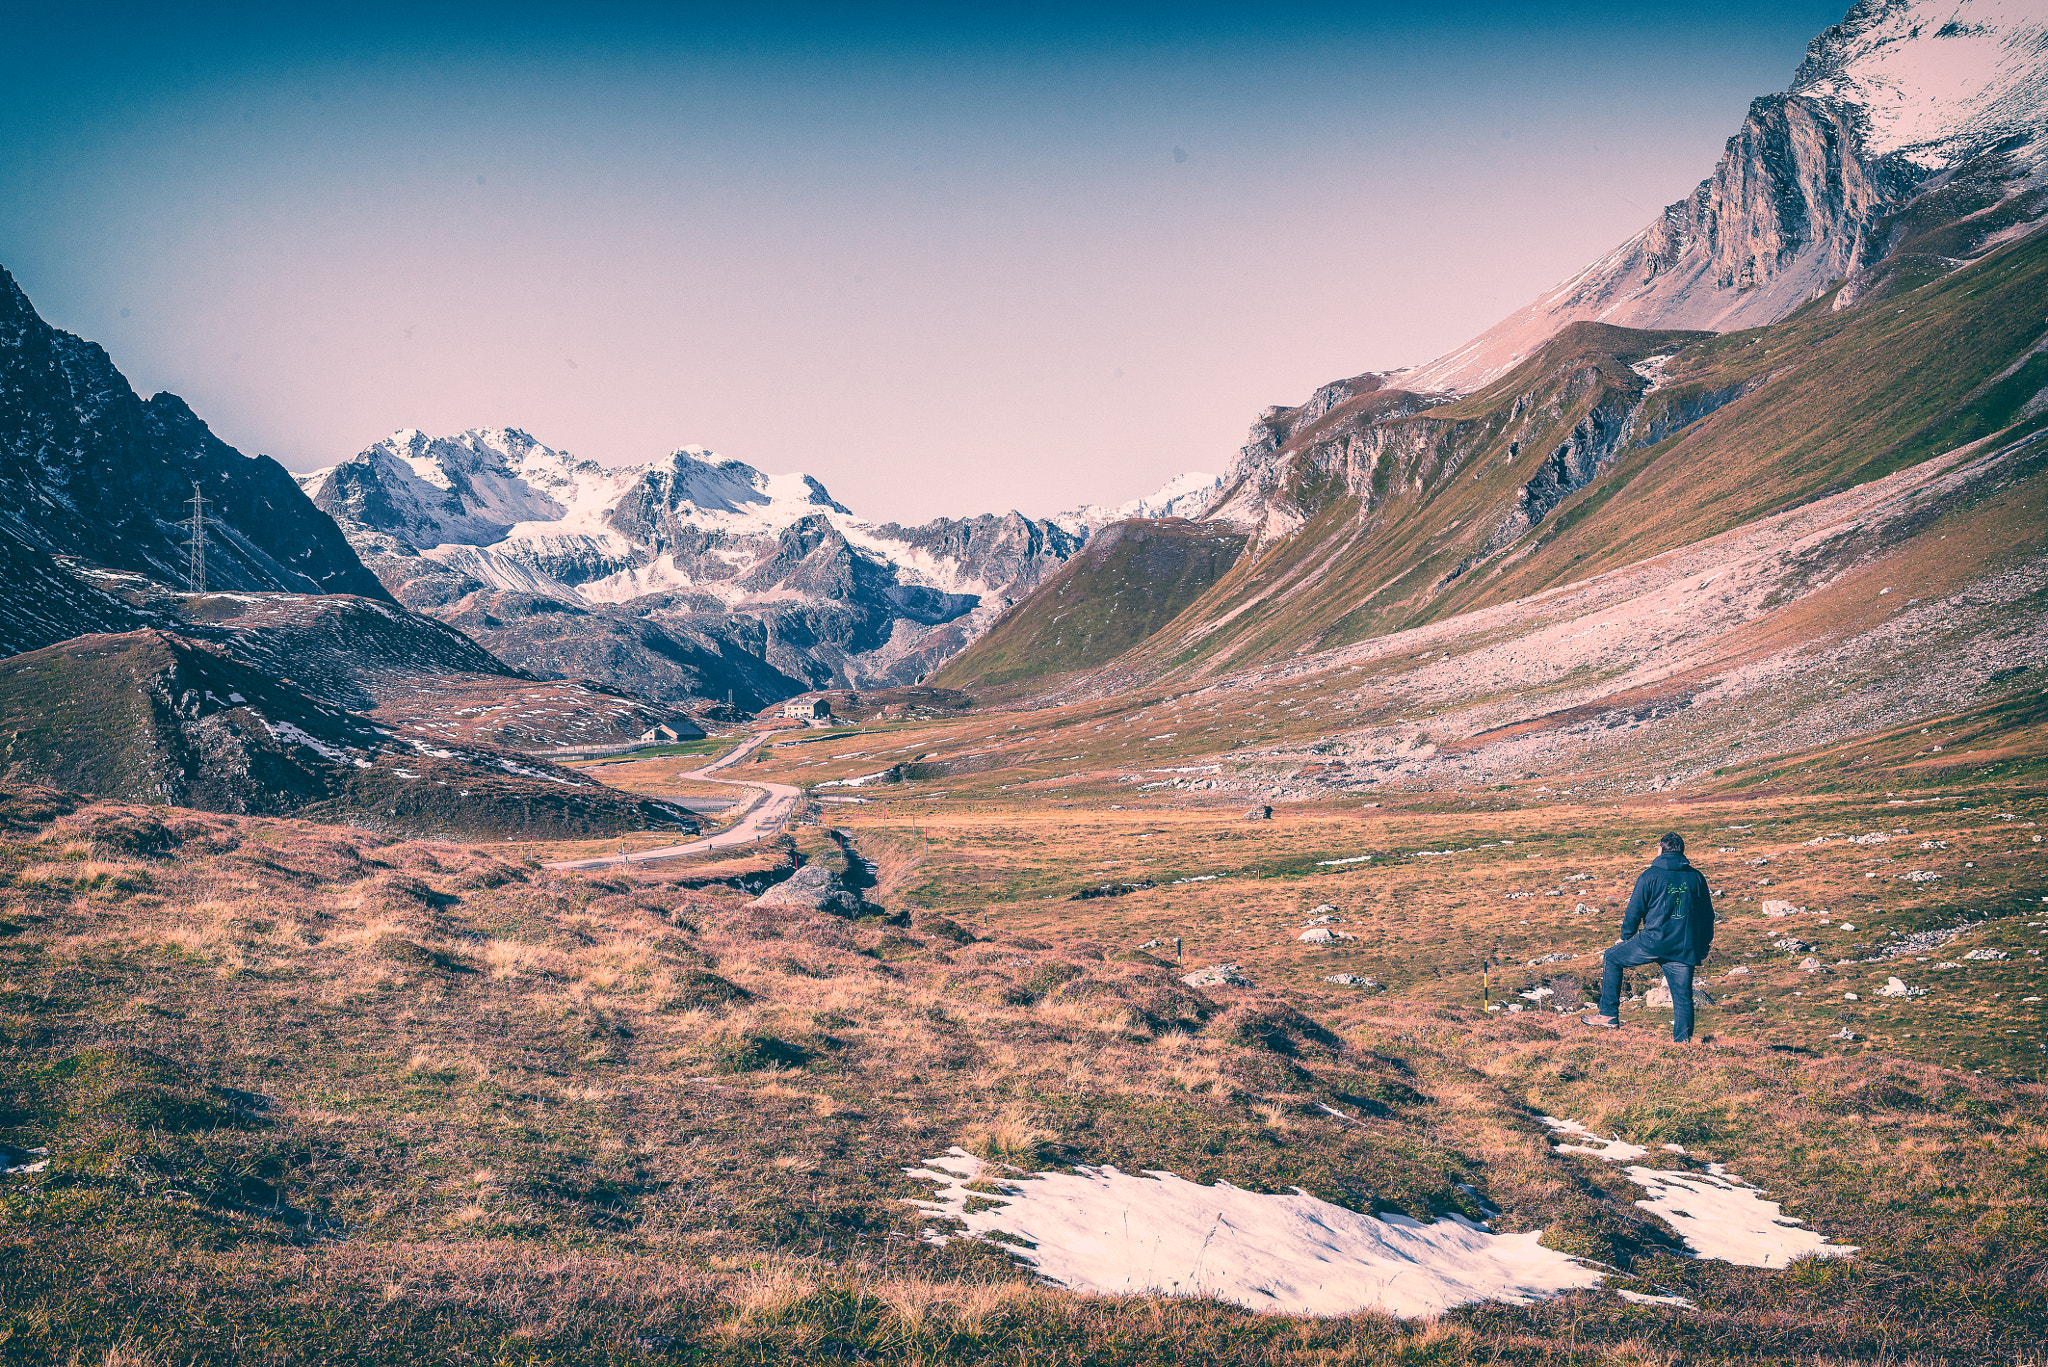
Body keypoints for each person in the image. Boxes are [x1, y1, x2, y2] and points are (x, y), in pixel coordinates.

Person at [1581, 832, 1714, 1042]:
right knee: (1683, 997)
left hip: (1652, 942)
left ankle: (1608, 1015)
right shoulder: (1696, 877)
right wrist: (1704, 944)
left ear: (1660, 850)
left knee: (1612, 957)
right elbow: (1707, 915)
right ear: (1682, 852)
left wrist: (1625, 936)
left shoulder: (1649, 876)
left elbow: (1634, 910)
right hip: (1683, 946)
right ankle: (1682, 1042)